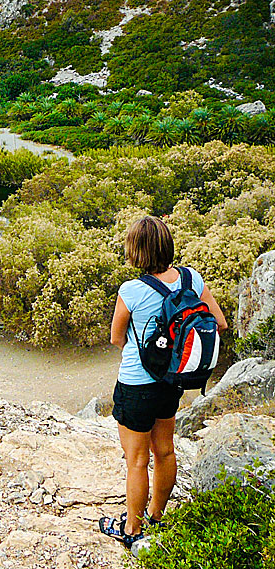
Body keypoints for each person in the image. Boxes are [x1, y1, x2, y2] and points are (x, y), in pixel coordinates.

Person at [100, 216, 228, 547]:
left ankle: (132, 530)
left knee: (137, 460)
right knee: (165, 452)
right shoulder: (191, 279)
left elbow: (116, 338)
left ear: (135, 252)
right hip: (173, 380)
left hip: (136, 385)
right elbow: (220, 323)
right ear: (167, 244)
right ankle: (157, 517)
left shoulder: (131, 290)